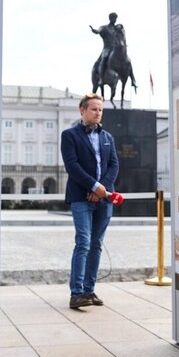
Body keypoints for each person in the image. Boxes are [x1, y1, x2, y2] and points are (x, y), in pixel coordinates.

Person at [61, 93, 120, 309]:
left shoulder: (108, 138)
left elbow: (114, 165)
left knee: (96, 245)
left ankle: (89, 290)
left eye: (100, 109)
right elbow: (72, 166)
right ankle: (76, 293)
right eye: (94, 109)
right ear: (82, 110)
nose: (98, 113)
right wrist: (94, 187)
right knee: (83, 243)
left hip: (104, 199)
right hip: (80, 197)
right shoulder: (69, 135)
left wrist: (102, 189)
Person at [90, 12, 120, 81]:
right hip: (107, 49)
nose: (115, 20)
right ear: (110, 18)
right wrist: (94, 31)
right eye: (113, 18)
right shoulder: (104, 28)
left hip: (116, 50)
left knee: (126, 61)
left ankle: (131, 79)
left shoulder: (116, 29)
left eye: (116, 18)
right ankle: (101, 77)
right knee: (104, 58)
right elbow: (98, 31)